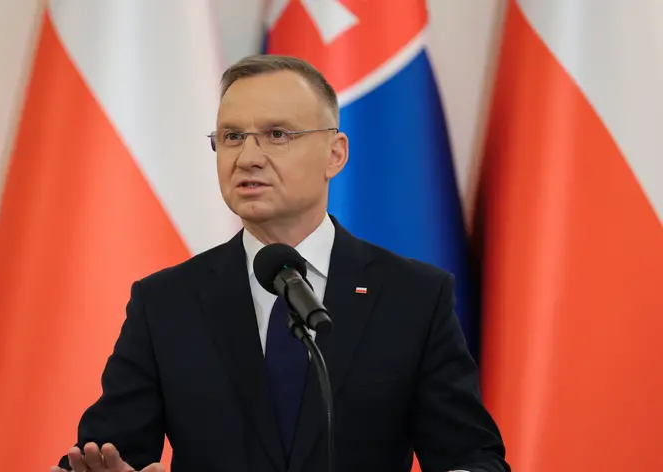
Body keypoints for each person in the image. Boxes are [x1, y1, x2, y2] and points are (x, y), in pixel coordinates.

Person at [52, 54, 509, 472]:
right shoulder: (165, 303)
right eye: (232, 137)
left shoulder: (413, 296)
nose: (248, 158)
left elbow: (471, 456)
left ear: (336, 154)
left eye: (277, 135)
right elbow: (105, 452)